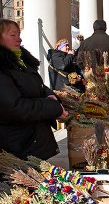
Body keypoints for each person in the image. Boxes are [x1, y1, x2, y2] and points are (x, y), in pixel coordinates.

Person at [0, 19, 68, 160]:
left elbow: (38, 86)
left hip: (33, 141)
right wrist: (52, 107)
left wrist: (51, 95)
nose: (19, 39)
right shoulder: (3, 66)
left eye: (19, 34)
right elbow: (15, 107)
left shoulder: (21, 61)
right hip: (17, 146)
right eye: (13, 35)